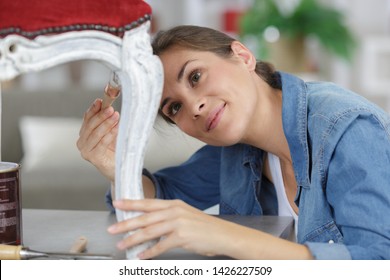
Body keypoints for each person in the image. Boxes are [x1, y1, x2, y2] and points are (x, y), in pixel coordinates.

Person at [77, 25, 390, 260]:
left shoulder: (347, 129)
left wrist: (227, 236)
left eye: (195, 76)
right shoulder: (236, 149)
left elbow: (377, 263)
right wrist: (114, 163)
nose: (194, 106)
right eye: (174, 107)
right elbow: (160, 200)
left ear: (243, 56)